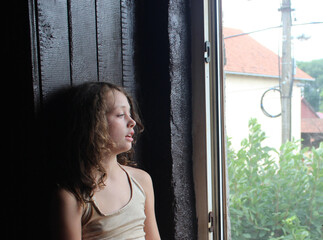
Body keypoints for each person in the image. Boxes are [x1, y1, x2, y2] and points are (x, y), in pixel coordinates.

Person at [49, 82, 160, 240]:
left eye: (130, 114)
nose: (132, 122)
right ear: (93, 123)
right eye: (120, 115)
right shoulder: (72, 197)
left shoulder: (141, 181)